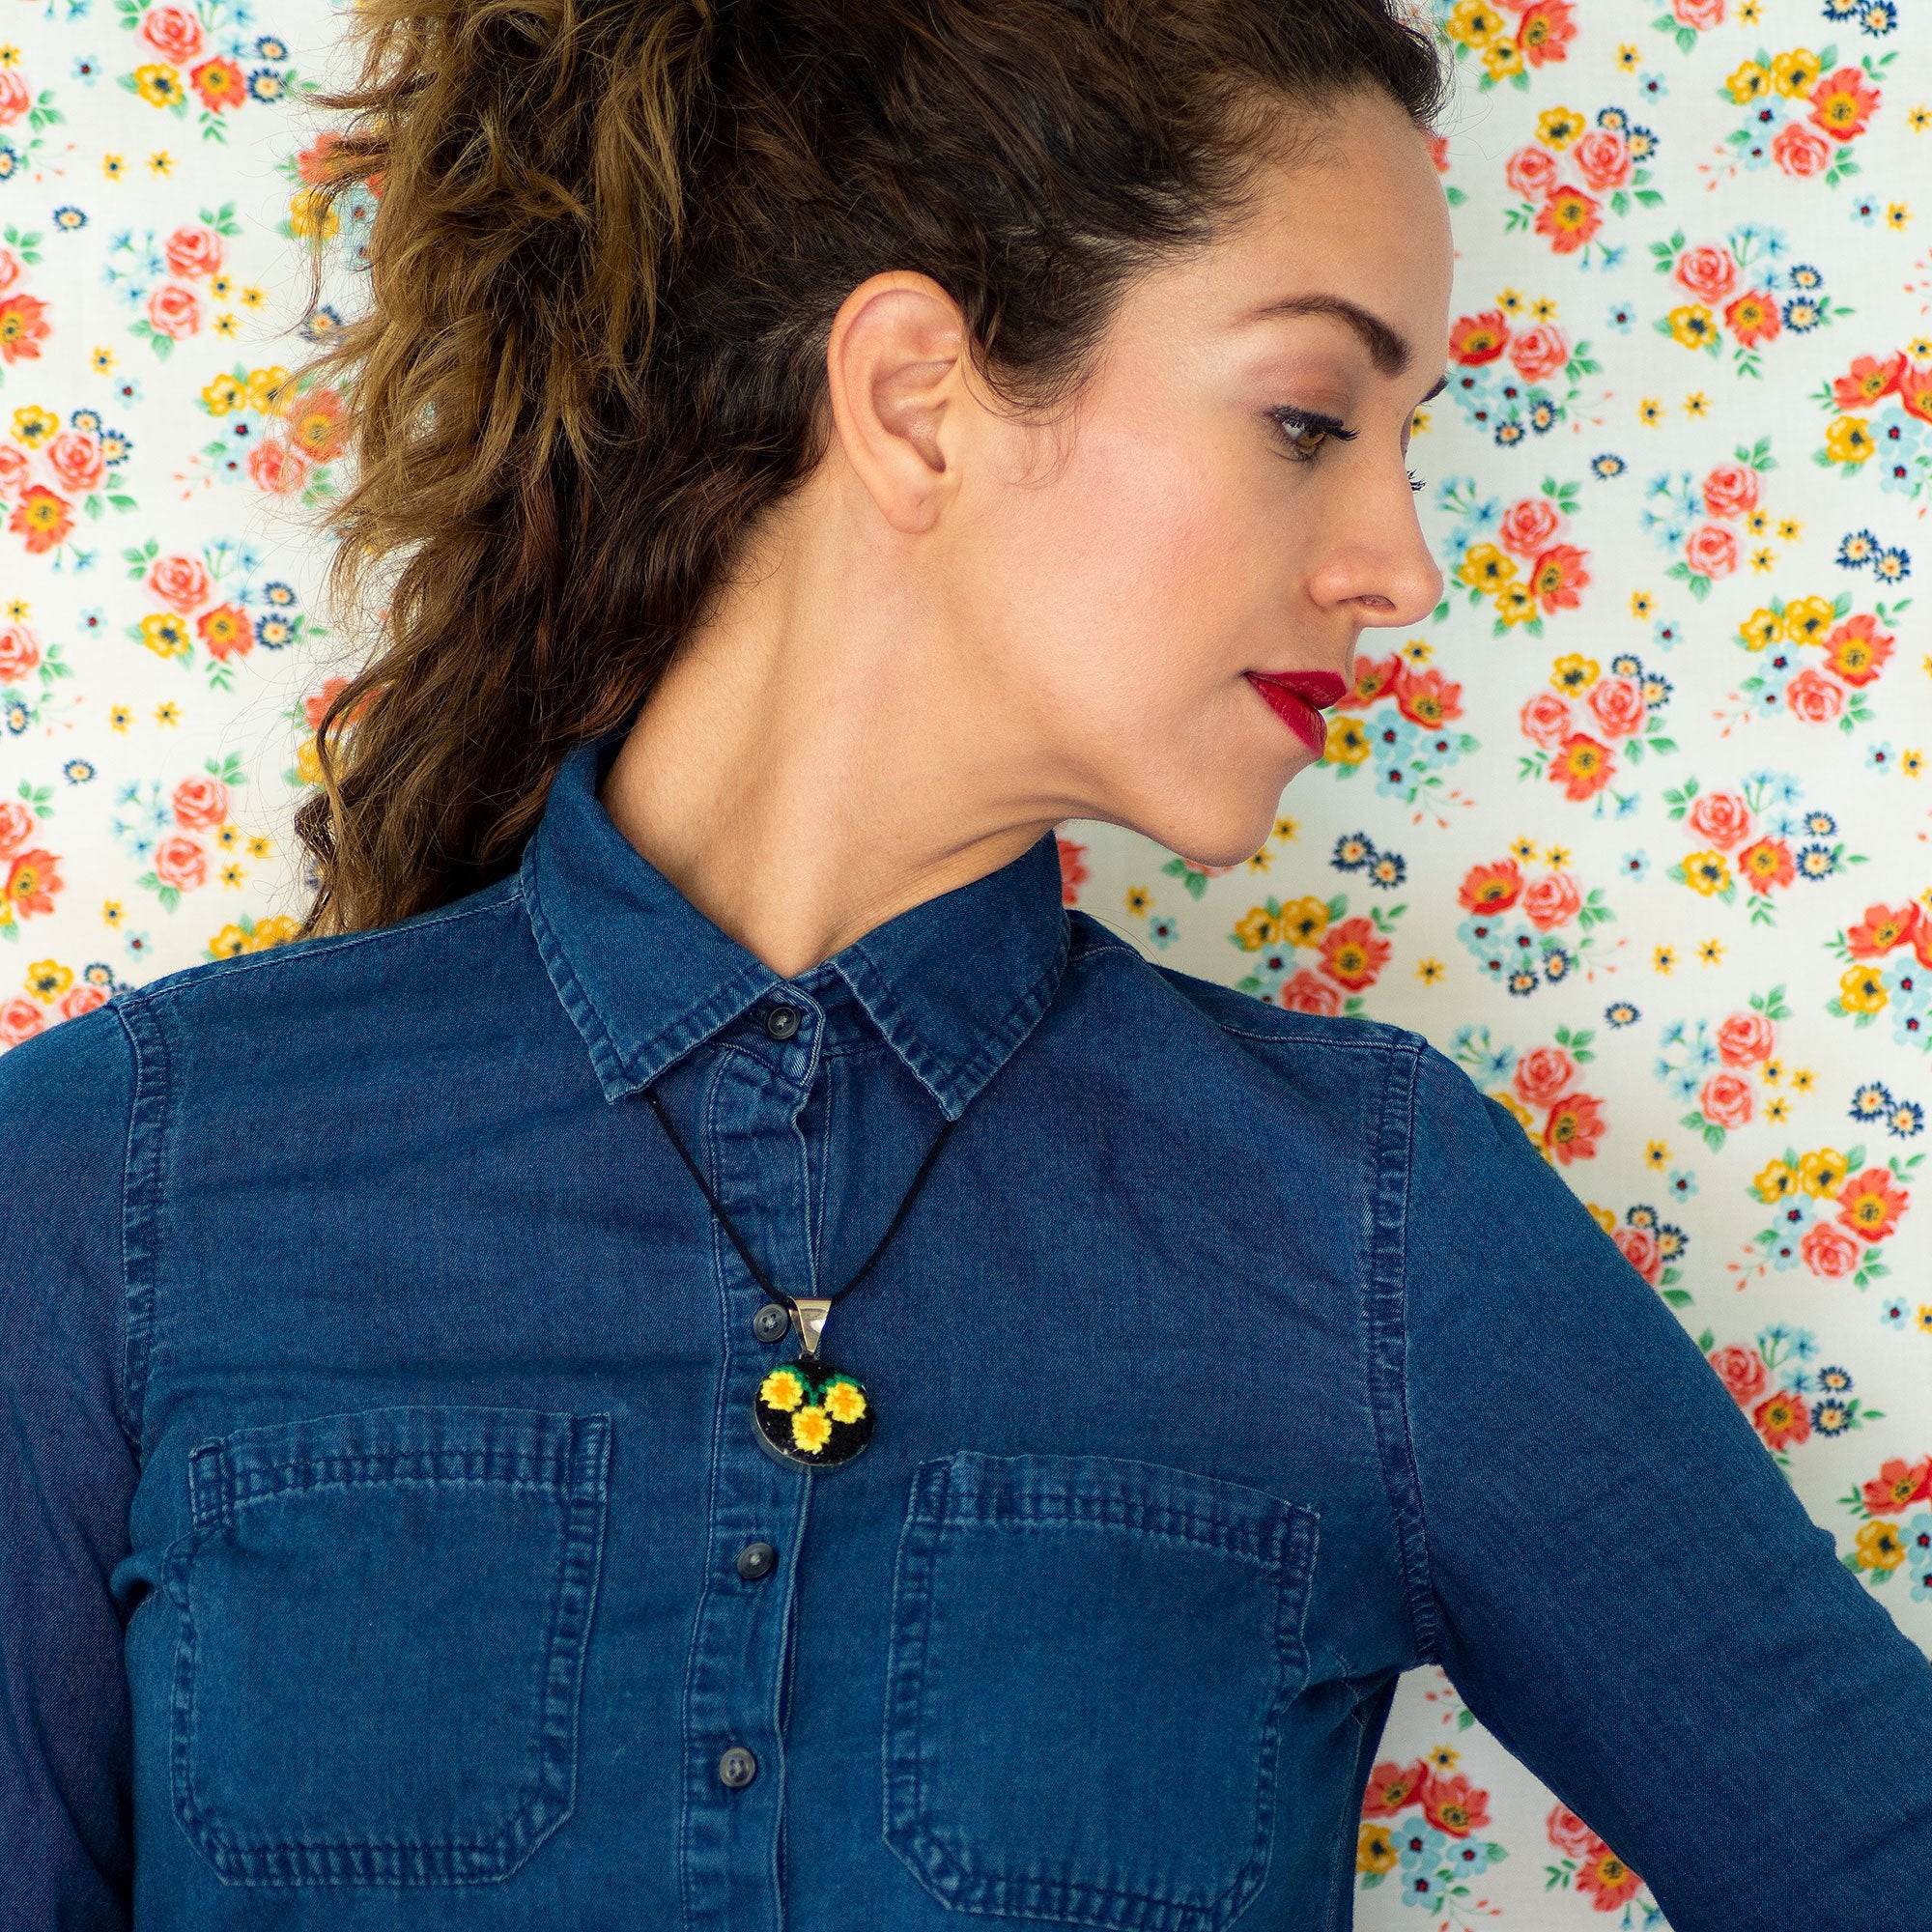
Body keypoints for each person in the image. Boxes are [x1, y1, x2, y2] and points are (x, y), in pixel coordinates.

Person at [5, 0, 1931, 1923]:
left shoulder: (1376, 1225)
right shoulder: (118, 1188)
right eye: (1306, 422)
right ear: (918, 396)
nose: (1400, 561)